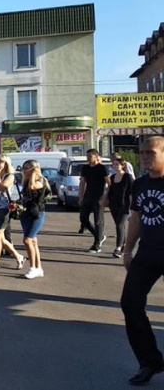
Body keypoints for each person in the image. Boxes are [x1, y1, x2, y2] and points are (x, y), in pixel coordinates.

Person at [120, 136, 164, 386]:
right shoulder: (141, 184)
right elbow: (136, 218)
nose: (145, 156)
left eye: (151, 152)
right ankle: (150, 361)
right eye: (142, 152)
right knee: (130, 304)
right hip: (147, 254)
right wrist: (128, 250)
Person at [0, 155, 25, 272]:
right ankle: (18, 256)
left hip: (3, 208)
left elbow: (1, 188)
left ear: (6, 164)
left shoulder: (9, 176)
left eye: (0, 162)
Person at [18, 160, 52, 280]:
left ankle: (33, 268)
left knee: (27, 240)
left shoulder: (40, 180)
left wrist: (33, 174)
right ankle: (39, 268)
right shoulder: (26, 180)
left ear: (34, 169)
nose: (24, 170)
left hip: (36, 214)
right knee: (33, 241)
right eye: (23, 168)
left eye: (27, 168)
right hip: (25, 213)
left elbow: (33, 187)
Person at [103, 155, 134, 258]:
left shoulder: (127, 177)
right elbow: (109, 191)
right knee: (120, 226)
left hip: (124, 205)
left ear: (122, 165)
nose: (114, 166)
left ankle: (118, 248)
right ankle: (124, 246)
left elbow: (131, 193)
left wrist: (132, 207)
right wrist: (105, 201)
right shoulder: (112, 177)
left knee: (120, 225)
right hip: (113, 205)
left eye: (116, 164)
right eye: (113, 165)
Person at [80, 148, 110, 253]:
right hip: (87, 197)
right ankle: (99, 236)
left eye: (90, 156)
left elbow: (109, 183)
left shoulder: (102, 168)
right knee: (83, 218)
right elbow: (82, 183)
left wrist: (107, 197)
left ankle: (97, 245)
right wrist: (81, 197)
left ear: (96, 157)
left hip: (99, 198)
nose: (87, 158)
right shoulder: (85, 168)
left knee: (98, 221)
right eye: (87, 156)